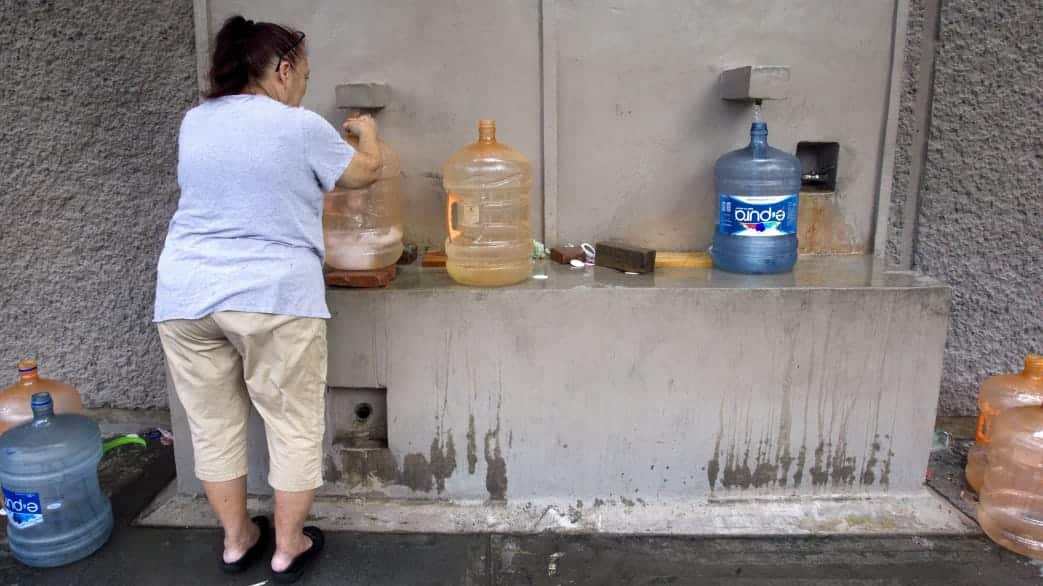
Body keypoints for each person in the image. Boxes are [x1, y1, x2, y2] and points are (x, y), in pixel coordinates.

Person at [153, 15, 382, 583]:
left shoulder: (195, 122)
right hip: (272, 295)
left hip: (185, 295)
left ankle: (236, 541)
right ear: (282, 71)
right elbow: (365, 175)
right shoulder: (297, 125)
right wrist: (365, 131)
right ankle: (287, 547)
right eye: (303, 75)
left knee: (211, 425)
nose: (303, 87)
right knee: (292, 423)